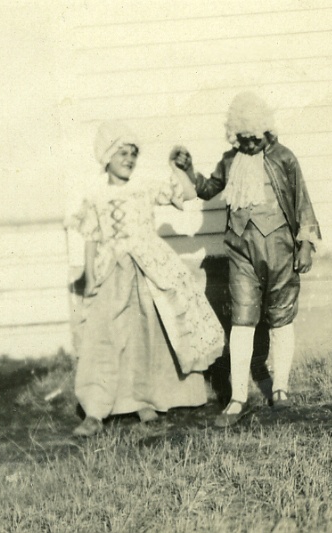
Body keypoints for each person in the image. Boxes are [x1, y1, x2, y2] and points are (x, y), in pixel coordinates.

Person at [68, 121, 225, 437]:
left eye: (133, 154)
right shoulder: (96, 195)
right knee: (106, 336)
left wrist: (180, 166)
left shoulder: (143, 188)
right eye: (122, 153)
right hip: (111, 269)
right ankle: (96, 410)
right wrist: (90, 275)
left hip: (147, 267)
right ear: (107, 156)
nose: (129, 159)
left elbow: (186, 192)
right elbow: (89, 236)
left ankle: (145, 400)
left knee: (147, 335)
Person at [179, 92, 321, 427]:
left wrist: (306, 244)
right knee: (242, 320)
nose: (249, 145)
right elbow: (209, 188)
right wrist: (188, 171)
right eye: (242, 139)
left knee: (281, 315)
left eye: (254, 138)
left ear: (266, 132)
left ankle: (281, 387)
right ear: (234, 136)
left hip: (281, 247)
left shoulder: (284, 158)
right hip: (241, 250)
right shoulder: (231, 160)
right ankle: (238, 395)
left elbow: (302, 201)